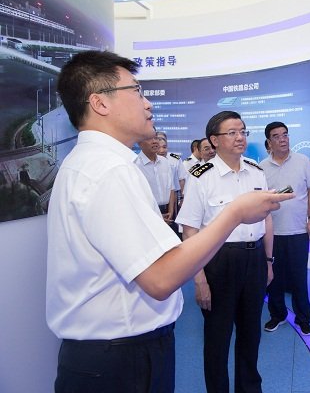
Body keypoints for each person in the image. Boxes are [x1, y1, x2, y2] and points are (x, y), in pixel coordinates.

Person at [46, 51, 291, 393]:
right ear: (100, 103)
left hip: (114, 355)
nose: (148, 104)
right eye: (137, 91)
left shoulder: (91, 163)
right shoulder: (109, 171)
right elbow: (160, 278)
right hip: (122, 361)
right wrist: (235, 213)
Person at [176, 110, 273, 393]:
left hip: (255, 259)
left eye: (242, 131)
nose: (240, 137)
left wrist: (268, 261)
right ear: (214, 140)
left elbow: (267, 220)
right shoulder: (201, 177)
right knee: (217, 338)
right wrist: (199, 280)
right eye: (232, 132)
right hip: (218, 262)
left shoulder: (256, 171)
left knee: (251, 334)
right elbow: (190, 231)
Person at [259, 121, 310, 335]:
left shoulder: (303, 161)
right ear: (269, 142)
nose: (282, 139)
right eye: (276, 136)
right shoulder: (262, 167)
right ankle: (278, 315)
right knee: (274, 277)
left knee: (299, 277)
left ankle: (304, 318)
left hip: (298, 230)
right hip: (272, 232)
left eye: (285, 134)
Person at [135, 133, 176, 224]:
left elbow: (171, 188)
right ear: (139, 143)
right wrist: (156, 215)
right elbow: (137, 196)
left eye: (156, 138)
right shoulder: (135, 165)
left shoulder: (165, 161)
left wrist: (171, 211)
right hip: (148, 214)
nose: (154, 142)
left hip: (168, 213)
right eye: (149, 139)